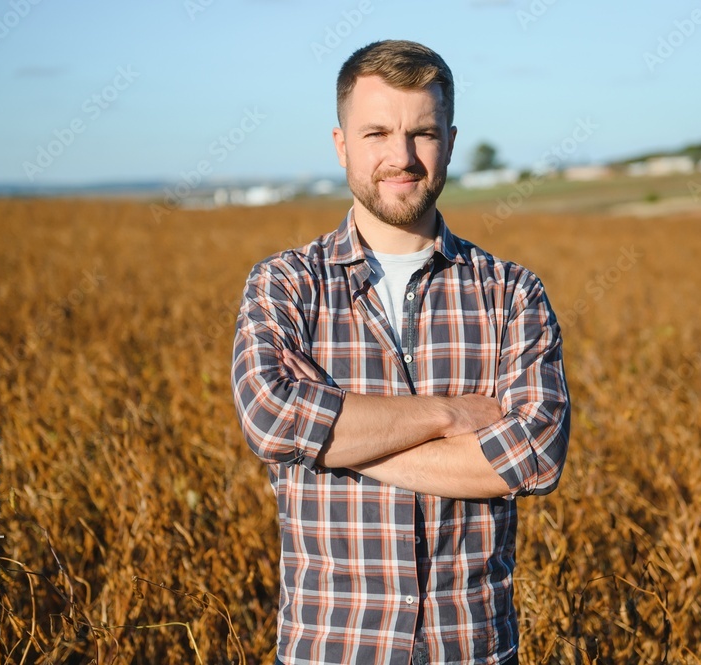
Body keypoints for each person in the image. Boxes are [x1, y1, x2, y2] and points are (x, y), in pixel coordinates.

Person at [231, 39, 570, 665]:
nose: (402, 156)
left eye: (423, 133)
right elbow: (272, 419)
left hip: (473, 650)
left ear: (450, 139)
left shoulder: (512, 292)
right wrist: (448, 416)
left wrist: (330, 443)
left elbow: (534, 456)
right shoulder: (285, 285)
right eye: (377, 132)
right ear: (341, 145)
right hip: (330, 650)